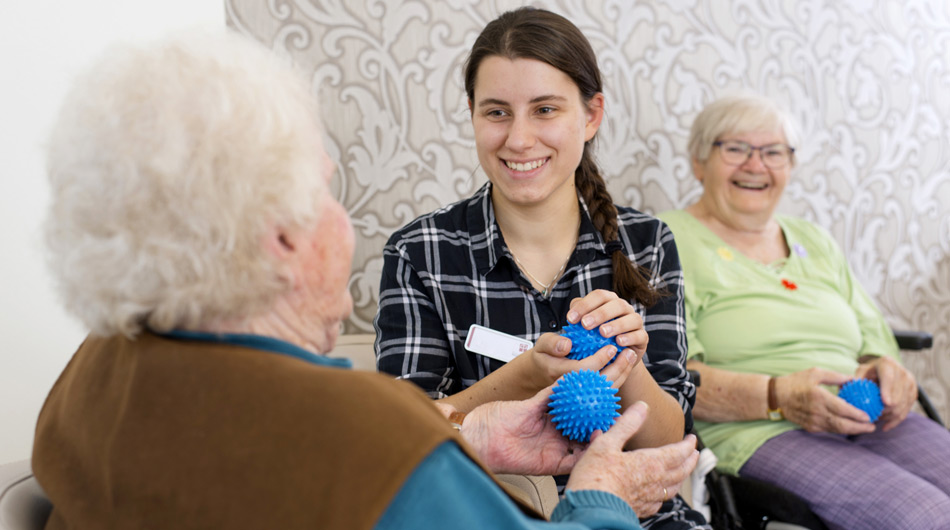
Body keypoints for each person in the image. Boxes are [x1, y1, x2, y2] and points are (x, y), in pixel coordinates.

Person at [32, 29, 702, 530]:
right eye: (328, 191)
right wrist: (601, 497)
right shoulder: (370, 437)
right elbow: (368, 451)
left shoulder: (90, 374)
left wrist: (468, 434)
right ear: (284, 236)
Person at [375, 7, 707, 529]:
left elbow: (669, 439)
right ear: (472, 115)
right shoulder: (421, 252)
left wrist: (630, 364)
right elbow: (399, 438)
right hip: (489, 514)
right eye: (497, 112)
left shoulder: (648, 243)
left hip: (638, 514)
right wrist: (527, 372)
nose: (520, 139)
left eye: (546, 109)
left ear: (591, 115)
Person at [657, 93, 950, 529]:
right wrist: (779, 396)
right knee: (927, 516)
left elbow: (874, 339)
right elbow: (673, 375)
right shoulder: (665, 239)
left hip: (864, 416)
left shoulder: (813, 239)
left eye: (773, 152)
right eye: (735, 149)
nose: (756, 165)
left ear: (790, 165)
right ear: (700, 162)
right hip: (758, 428)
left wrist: (885, 370)